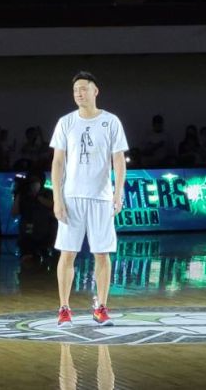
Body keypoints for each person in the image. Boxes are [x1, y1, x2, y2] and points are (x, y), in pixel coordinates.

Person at [51, 71, 128, 327]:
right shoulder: (65, 122)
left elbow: (118, 160)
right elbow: (58, 161)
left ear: (96, 91)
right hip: (72, 198)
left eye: (83, 89)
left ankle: (102, 308)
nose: (79, 94)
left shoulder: (111, 121)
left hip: (100, 198)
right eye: (75, 90)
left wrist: (118, 194)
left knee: (102, 254)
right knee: (67, 253)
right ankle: (64, 308)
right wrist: (57, 198)